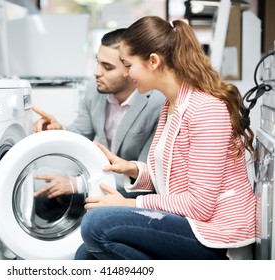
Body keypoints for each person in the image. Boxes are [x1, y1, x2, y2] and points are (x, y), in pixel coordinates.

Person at [75, 16, 256, 260]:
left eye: (128, 65)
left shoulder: (206, 109)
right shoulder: (172, 106)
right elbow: (172, 181)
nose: (127, 75)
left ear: (153, 61)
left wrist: (129, 205)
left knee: (96, 224)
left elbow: (199, 205)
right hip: (185, 223)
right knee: (85, 254)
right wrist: (131, 169)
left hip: (214, 234)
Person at [31, 28, 165, 198]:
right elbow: (82, 133)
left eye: (107, 67)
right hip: (96, 177)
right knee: (43, 196)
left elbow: (146, 175)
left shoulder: (157, 103)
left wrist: (77, 184)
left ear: (130, 70)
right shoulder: (95, 89)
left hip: (131, 193)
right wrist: (58, 129)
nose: (96, 72)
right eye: (98, 62)